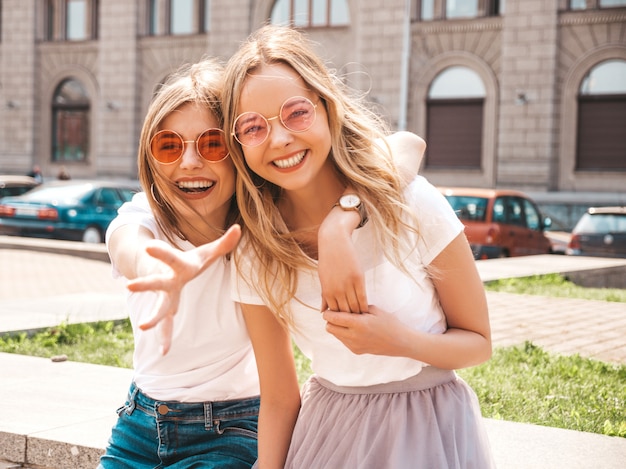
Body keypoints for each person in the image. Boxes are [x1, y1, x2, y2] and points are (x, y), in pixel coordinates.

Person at [99, 56, 426, 468]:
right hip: (138, 423)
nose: (189, 163)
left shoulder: (261, 239)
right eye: (168, 145)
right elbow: (131, 249)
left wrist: (341, 221)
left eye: (211, 143)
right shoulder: (143, 216)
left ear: (238, 150)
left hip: (231, 429)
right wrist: (160, 270)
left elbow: (407, 145)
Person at [220, 25, 495, 468]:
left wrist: (399, 340)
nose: (280, 139)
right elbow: (276, 398)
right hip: (327, 431)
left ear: (328, 108)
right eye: (253, 127)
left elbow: (479, 343)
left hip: (426, 424)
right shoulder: (257, 249)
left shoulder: (412, 203)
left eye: (297, 112)